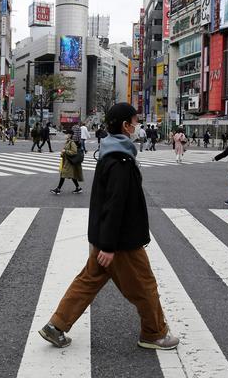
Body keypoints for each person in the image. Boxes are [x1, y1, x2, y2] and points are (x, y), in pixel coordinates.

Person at [37, 102, 178, 351]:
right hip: (121, 242)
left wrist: (101, 241)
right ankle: (154, 333)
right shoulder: (121, 160)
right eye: (134, 121)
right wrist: (110, 246)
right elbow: (115, 205)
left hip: (105, 237)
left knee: (88, 281)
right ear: (125, 125)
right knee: (145, 285)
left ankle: (56, 325)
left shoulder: (109, 154)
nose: (137, 126)